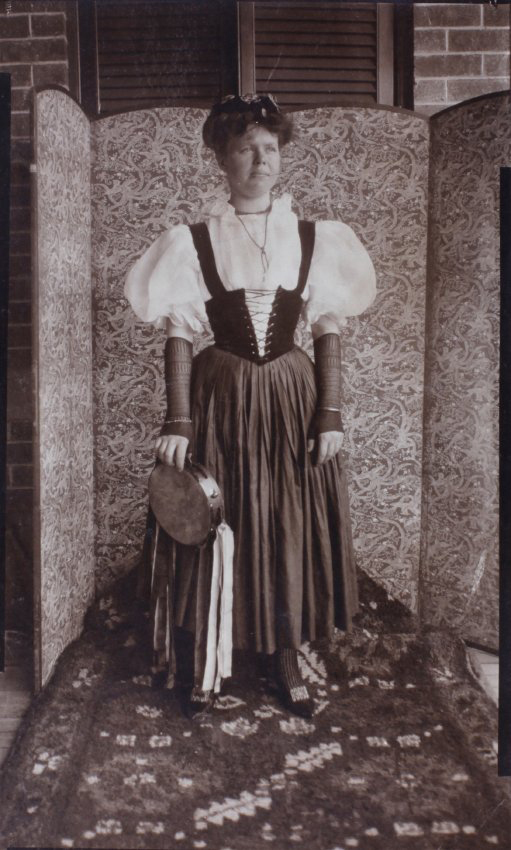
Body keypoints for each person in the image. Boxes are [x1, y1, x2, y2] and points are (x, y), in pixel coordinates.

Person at [125, 93, 376, 719]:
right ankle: (214, 654)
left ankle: (286, 654)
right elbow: (180, 332)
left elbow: (327, 329)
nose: (260, 161)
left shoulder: (315, 237)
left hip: (292, 394)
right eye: (245, 149)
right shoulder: (194, 241)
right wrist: (179, 420)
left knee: (286, 513)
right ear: (222, 158)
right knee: (222, 514)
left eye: (270, 149)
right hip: (222, 398)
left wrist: (332, 412)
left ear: (281, 156)